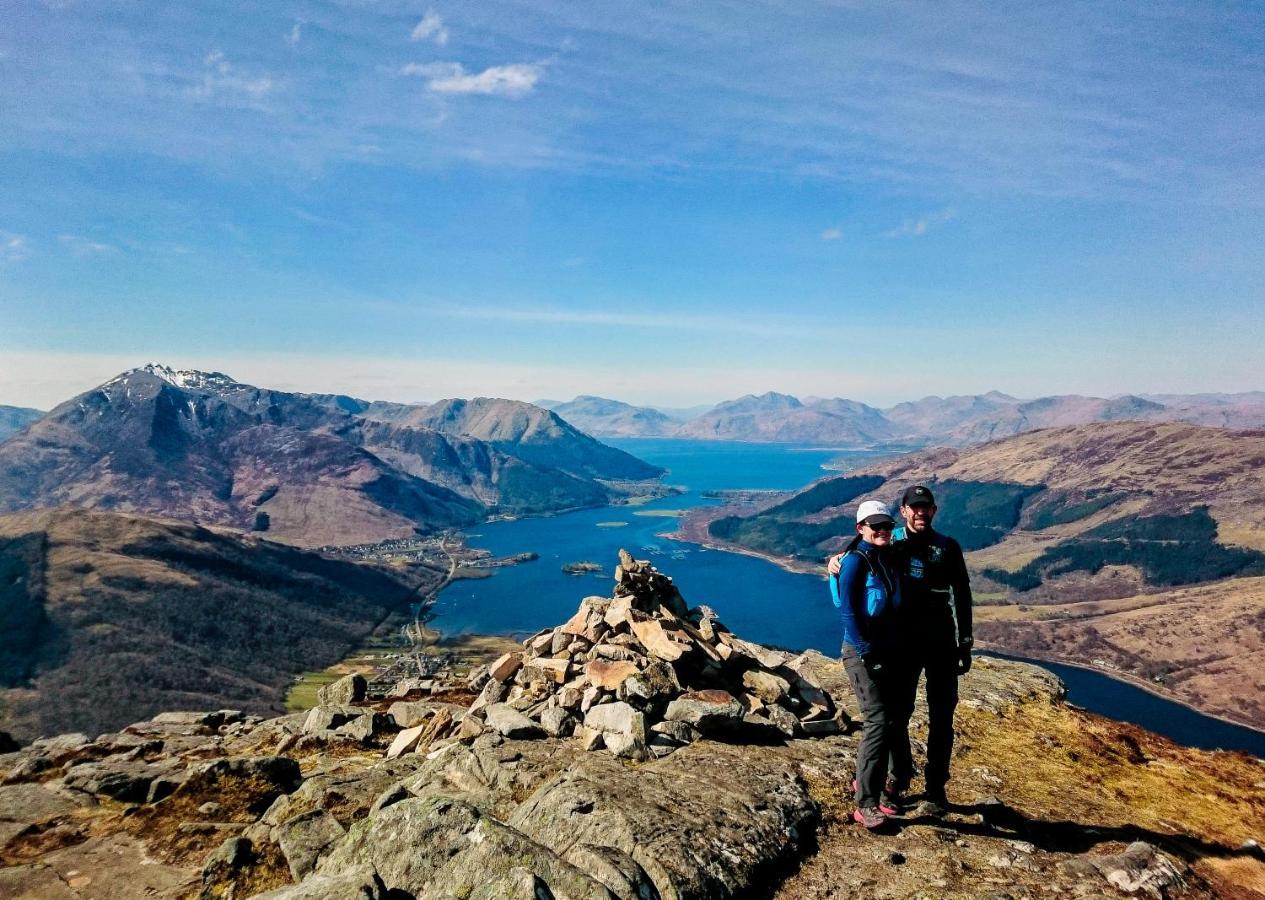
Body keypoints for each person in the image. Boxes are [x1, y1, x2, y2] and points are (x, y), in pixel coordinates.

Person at [830, 484, 974, 815]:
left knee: (942, 717)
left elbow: (962, 594)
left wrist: (964, 641)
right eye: (915, 507)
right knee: (897, 715)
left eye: (927, 507)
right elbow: (856, 554)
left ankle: (936, 789)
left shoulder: (947, 547)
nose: (921, 512)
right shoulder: (891, 541)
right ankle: (893, 782)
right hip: (904, 643)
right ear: (905, 511)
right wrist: (834, 563)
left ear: (934, 511)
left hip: (941, 642)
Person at [830, 499, 904, 830]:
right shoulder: (855, 563)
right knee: (877, 721)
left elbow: (914, 533)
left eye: (887, 525)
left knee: (890, 721)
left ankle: (879, 786)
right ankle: (866, 803)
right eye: (876, 526)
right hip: (862, 653)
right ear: (861, 529)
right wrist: (866, 652)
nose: (883, 531)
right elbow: (848, 611)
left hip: (885, 650)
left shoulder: (884, 555)